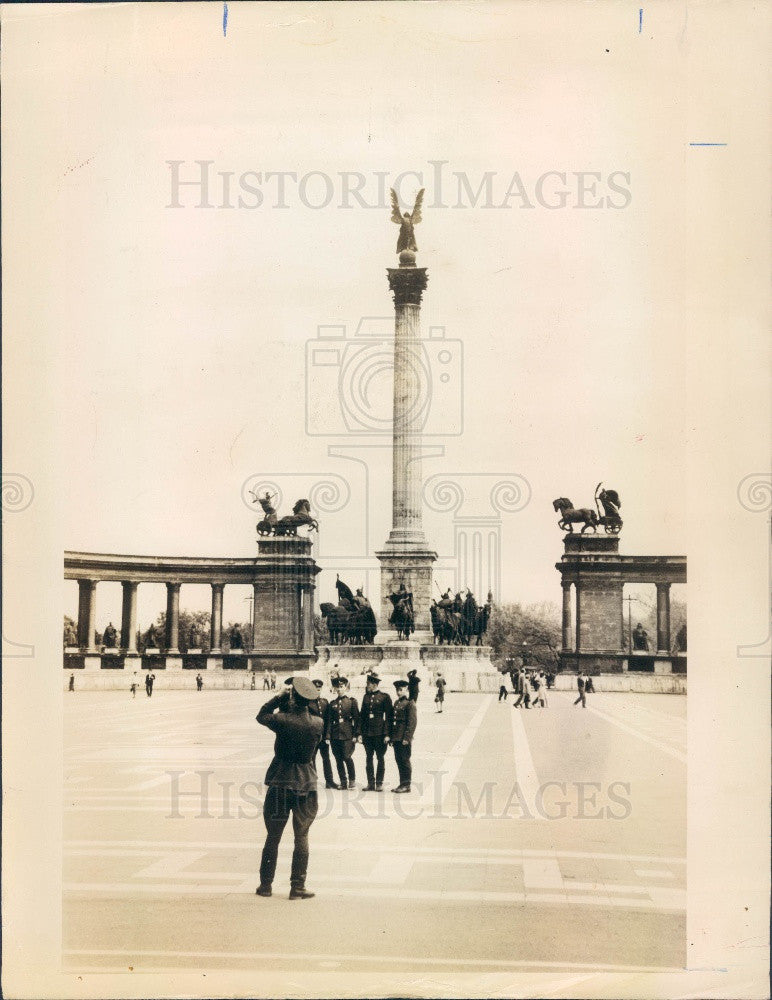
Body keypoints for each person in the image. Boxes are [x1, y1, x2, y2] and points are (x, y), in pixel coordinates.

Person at [255, 675, 323, 900]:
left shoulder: (282, 720)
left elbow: (261, 716)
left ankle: (266, 885)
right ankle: (297, 887)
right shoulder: (317, 723)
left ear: (292, 696)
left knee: (273, 836)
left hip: (281, 779)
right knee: (301, 836)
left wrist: (278, 697)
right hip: (306, 781)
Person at [358, 673, 393, 792]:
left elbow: (389, 717)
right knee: (368, 758)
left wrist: (388, 734)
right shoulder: (365, 697)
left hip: (379, 733)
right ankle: (370, 783)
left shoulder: (384, 697)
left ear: (374, 684)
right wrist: (360, 733)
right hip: (367, 733)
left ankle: (379, 783)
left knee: (380, 758)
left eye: (368, 683)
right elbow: (362, 716)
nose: (367, 685)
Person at [325, 676, 359, 789]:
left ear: (345, 687)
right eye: (337, 687)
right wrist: (328, 736)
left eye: (341, 686)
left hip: (347, 734)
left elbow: (357, 719)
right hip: (335, 735)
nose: (339, 689)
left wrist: (356, 735)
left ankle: (352, 780)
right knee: (338, 759)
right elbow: (329, 720)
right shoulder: (332, 703)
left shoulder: (351, 702)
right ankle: (343, 781)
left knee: (347, 757)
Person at [310, 678, 338, 789]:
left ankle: (329, 781)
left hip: (323, 737)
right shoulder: (308, 704)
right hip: (313, 736)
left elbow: (328, 721)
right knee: (312, 759)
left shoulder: (324, 702)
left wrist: (327, 735)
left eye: (319, 689)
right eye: (316, 689)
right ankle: (313, 781)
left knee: (326, 759)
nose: (318, 691)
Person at [390, 680, 417, 793]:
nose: (399, 692)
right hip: (397, 737)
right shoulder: (396, 703)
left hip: (403, 738)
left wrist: (407, 738)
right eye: (397, 690)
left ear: (406, 690)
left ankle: (406, 784)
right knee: (399, 760)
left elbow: (412, 722)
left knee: (405, 760)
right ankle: (402, 783)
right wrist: (392, 737)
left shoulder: (410, 703)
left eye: (401, 690)